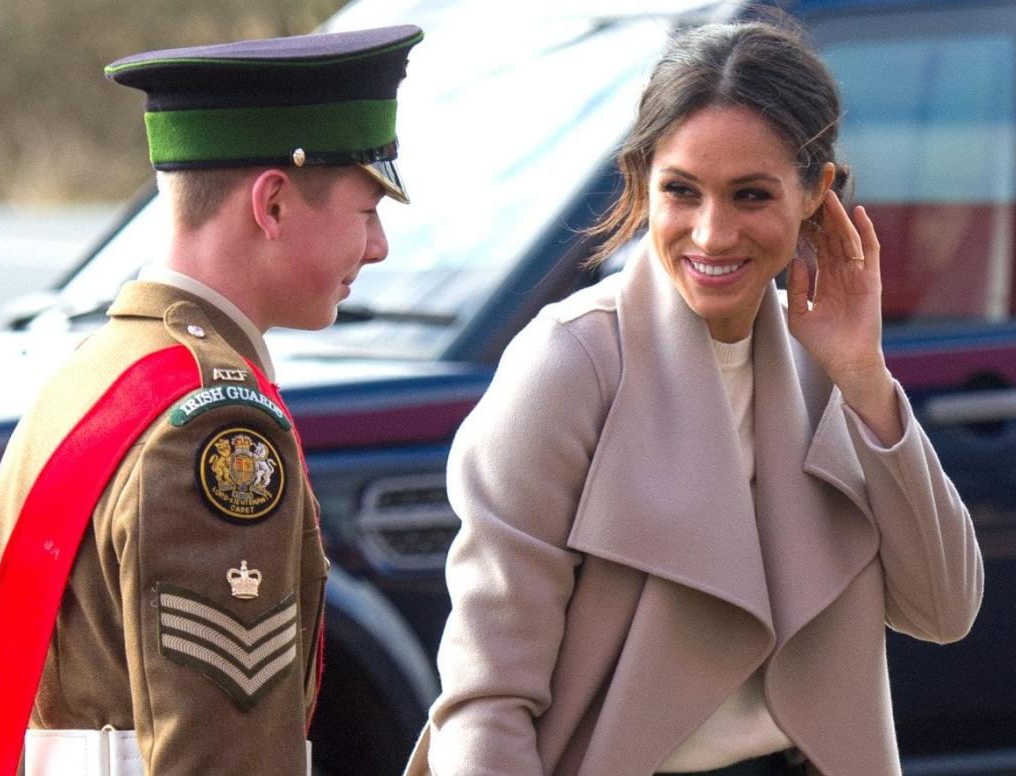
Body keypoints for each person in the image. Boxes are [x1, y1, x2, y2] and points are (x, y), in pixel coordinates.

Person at [405, 20, 982, 776]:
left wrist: (866, 379)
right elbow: (487, 700)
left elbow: (944, 609)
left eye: (751, 195)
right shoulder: (570, 364)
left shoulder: (825, 362)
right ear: (642, 178)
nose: (712, 235)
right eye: (681, 191)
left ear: (816, 193)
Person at [0, 24, 423, 776]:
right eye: (366, 211)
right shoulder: (217, 425)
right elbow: (224, 755)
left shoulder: (94, 371)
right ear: (271, 204)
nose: (377, 248)